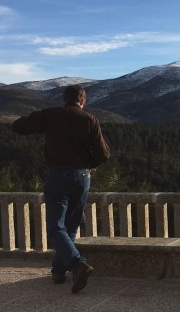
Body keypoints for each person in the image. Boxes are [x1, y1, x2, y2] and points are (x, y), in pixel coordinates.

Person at [12, 85, 111, 294]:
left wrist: (36, 119)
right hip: (82, 178)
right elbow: (103, 154)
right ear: (82, 101)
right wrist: (86, 166)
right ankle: (58, 272)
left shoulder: (51, 115)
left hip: (57, 176)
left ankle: (77, 265)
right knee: (70, 226)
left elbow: (18, 127)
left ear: (64, 99)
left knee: (56, 227)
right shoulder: (90, 119)